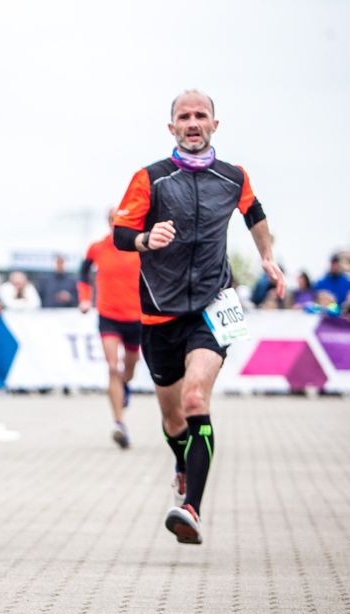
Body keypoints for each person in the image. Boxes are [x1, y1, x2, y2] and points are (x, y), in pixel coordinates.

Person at [112, 89, 283, 545]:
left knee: (194, 400)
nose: (193, 122)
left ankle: (191, 509)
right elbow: (121, 234)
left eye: (200, 115)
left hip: (213, 305)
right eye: (184, 116)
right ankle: (183, 467)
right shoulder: (151, 178)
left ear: (214, 125)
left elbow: (256, 214)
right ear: (172, 128)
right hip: (160, 314)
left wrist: (268, 257)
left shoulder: (233, 177)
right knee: (172, 421)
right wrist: (148, 238)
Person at [79, 210, 143, 449]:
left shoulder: (139, 246)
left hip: (136, 317)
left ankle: (125, 387)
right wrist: (85, 299)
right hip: (108, 316)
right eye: (113, 220)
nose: (117, 224)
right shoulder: (98, 248)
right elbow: (82, 273)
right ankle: (119, 424)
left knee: (129, 368)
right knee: (112, 367)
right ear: (108, 222)